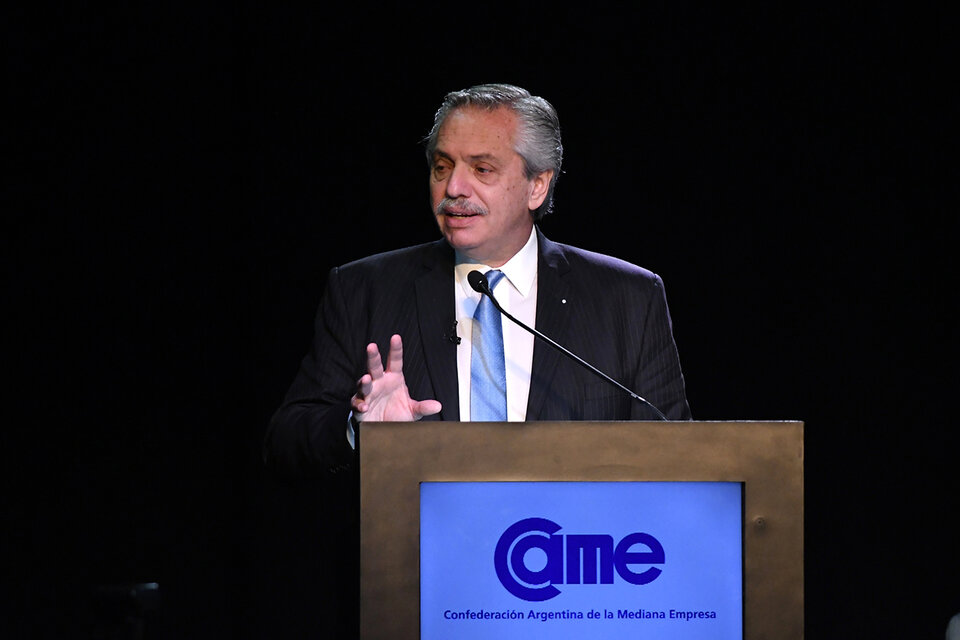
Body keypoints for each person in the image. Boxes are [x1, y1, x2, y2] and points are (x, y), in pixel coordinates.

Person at [264, 82, 691, 478]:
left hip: (574, 552)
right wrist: (358, 429)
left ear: (537, 186)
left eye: (482, 169)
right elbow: (284, 442)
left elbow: (679, 460)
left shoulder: (629, 297)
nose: (454, 187)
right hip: (415, 551)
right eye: (442, 166)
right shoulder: (363, 289)